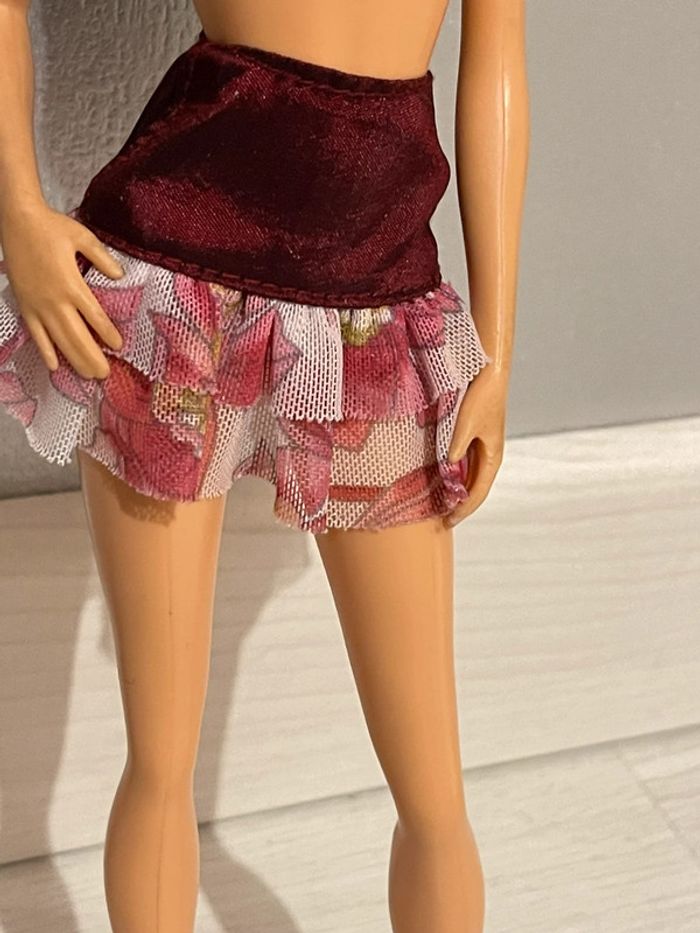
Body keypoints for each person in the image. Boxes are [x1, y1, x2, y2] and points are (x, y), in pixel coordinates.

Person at [0, 0, 529, 930]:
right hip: (170, 291)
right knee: (160, 760)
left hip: (376, 302)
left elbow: (498, 70)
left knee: (433, 792)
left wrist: (498, 350)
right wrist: (18, 214)